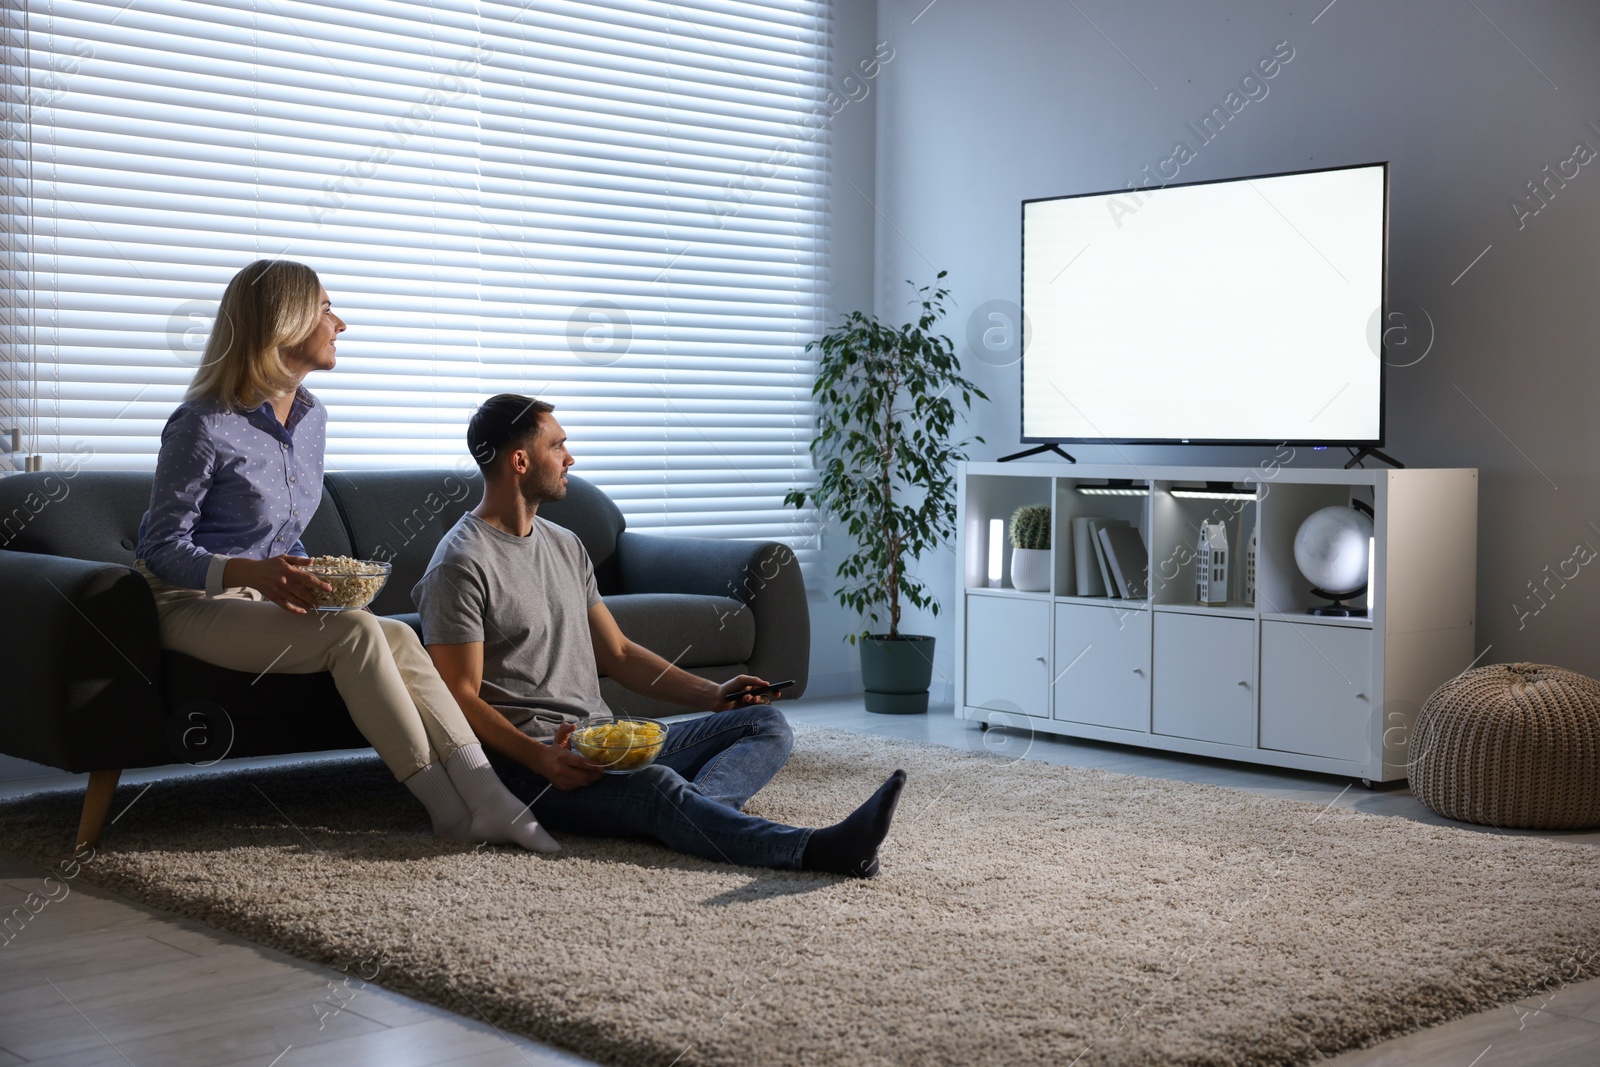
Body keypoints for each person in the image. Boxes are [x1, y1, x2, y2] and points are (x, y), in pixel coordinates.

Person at [135, 260, 559, 853]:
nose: (341, 323)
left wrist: (308, 574)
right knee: (357, 634)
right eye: (326, 308)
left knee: (401, 638)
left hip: (260, 596)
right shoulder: (202, 424)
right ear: (284, 322)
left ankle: (490, 799)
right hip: (188, 600)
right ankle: (449, 813)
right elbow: (159, 550)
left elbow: (281, 535)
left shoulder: (311, 419)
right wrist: (247, 571)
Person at [413, 394, 906, 877]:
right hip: (531, 768)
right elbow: (458, 697)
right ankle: (819, 850)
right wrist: (542, 759)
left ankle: (695, 817)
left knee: (763, 723)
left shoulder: (564, 545)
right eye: (557, 446)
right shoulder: (460, 564)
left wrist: (713, 695)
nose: (570, 457)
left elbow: (620, 653)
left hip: (601, 744)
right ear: (520, 461)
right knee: (653, 787)